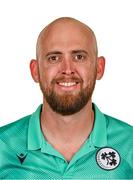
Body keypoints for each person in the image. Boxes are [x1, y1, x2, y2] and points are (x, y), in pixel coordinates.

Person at [0, 17, 133, 179]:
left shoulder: (129, 144)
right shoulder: (3, 145)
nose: (67, 69)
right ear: (35, 71)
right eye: (54, 58)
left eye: (79, 57)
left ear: (99, 68)